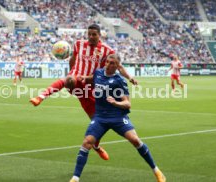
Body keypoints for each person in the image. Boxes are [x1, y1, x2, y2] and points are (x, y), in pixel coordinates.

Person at [30, 24, 138, 160]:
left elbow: (119, 66)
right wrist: (71, 73)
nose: (91, 37)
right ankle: (40, 97)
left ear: (100, 35)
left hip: (91, 87)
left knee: (95, 121)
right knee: (67, 79)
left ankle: (97, 147)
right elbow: (73, 59)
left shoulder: (107, 50)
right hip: (76, 78)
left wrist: (130, 78)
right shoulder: (78, 44)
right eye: (89, 34)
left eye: (94, 34)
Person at [69, 54, 166, 182]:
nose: (108, 64)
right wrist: (83, 78)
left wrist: (116, 103)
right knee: (87, 143)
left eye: (112, 63)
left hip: (117, 117)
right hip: (100, 117)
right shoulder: (98, 72)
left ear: (117, 66)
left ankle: (157, 171)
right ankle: (75, 179)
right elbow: (92, 79)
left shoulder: (120, 80)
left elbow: (127, 103)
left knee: (135, 140)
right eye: (108, 62)